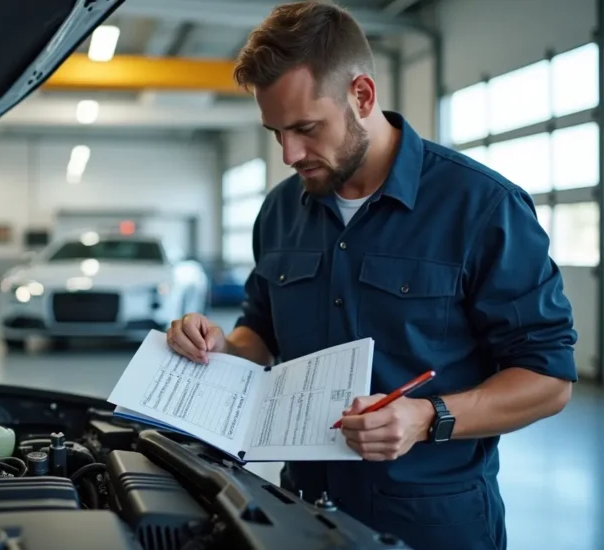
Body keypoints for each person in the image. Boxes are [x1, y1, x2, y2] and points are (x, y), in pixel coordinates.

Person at [166, 2, 577, 549]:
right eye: (276, 132)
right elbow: (259, 329)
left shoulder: (481, 207)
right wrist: (220, 346)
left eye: (305, 128)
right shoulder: (281, 211)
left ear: (361, 95)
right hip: (299, 513)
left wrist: (427, 417)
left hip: (431, 524)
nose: (289, 153)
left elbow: (548, 380)